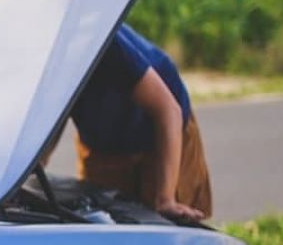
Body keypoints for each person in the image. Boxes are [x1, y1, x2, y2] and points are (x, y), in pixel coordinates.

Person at [69, 24, 212, 222]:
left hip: (163, 130)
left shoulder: (103, 42)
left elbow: (169, 111)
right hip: (103, 142)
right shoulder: (37, 57)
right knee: (102, 223)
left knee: (167, 224)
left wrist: (166, 199)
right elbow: (49, 120)